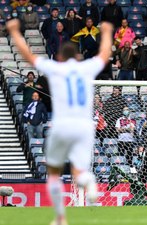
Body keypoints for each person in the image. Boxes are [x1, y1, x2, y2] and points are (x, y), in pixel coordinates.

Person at [6, 19, 113, 224]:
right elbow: (105, 54)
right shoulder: (87, 68)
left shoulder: (55, 68)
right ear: (79, 56)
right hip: (84, 126)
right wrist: (106, 32)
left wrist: (14, 31)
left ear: (60, 57)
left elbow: (28, 55)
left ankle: (61, 217)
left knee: (53, 173)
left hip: (62, 124)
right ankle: (88, 181)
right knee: (79, 171)